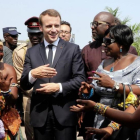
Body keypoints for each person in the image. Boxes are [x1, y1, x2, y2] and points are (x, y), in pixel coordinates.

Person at [20, 9, 86, 140]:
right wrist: (33, 74)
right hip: (40, 115)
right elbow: (24, 84)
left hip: (65, 114)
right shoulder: (31, 52)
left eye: (57, 25)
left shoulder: (72, 49)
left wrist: (59, 87)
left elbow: (80, 79)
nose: (54, 30)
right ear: (41, 27)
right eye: (49, 26)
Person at [80, 12, 138, 140]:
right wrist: (87, 91)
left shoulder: (137, 63)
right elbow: (96, 87)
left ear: (121, 44)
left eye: (108, 41)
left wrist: (114, 85)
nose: (104, 44)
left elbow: (138, 92)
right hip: (100, 119)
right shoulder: (104, 64)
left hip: (125, 121)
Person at [13, 16, 43, 140]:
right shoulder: (20, 52)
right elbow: (20, 79)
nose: (34, 37)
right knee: (31, 133)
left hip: (51, 95)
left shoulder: (53, 50)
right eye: (31, 34)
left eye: (38, 34)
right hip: (29, 96)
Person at [0, 40, 21, 139]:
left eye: (0, 51)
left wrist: (5, 90)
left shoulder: (8, 70)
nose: (0, 54)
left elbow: (14, 98)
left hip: (5, 121)